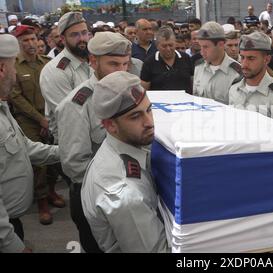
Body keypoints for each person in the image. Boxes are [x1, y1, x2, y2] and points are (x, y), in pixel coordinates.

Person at [55, 31, 132, 253]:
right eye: (114, 64)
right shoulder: (77, 104)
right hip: (95, 197)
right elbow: (74, 165)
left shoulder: (125, 93)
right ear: (93, 61)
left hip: (124, 192)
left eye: (125, 64)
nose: (121, 71)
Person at [82, 71, 169, 253]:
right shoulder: (126, 196)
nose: (149, 122)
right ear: (110, 125)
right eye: (135, 116)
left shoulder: (118, 148)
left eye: (149, 110)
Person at [0, 34, 60, 253]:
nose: (15, 76)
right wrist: (13, 246)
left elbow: (26, 148)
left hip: (12, 221)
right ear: (2, 69)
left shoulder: (2, 109)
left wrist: (66, 152)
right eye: (12, 69)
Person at [9, 25, 65, 225]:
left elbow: (54, 91)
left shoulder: (47, 63)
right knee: (38, 164)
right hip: (28, 120)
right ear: (19, 43)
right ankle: (42, 201)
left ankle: (51, 191)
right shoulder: (14, 66)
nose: (31, 44)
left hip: (49, 117)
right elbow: (16, 98)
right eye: (25, 40)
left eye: (33, 39)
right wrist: (39, 119)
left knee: (53, 156)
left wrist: (47, 119)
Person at [40, 12, 93, 143]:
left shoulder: (92, 61)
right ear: (63, 39)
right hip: (72, 144)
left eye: (84, 32)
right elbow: (71, 116)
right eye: (74, 34)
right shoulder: (55, 71)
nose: (82, 38)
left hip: (95, 137)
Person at [228, 31, 273, 121]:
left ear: (267, 59)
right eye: (242, 57)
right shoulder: (234, 89)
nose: (244, 64)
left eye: (251, 58)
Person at [193, 22, 242, 104]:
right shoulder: (199, 67)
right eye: (200, 46)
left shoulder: (237, 73)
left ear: (221, 45)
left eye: (205, 47)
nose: (202, 52)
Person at [140, 27, 193, 93]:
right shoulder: (149, 62)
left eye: (171, 45)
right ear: (157, 46)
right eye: (164, 46)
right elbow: (144, 89)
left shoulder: (186, 58)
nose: (168, 49)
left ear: (175, 44)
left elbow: (193, 82)